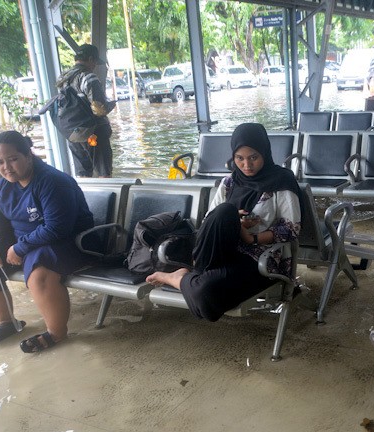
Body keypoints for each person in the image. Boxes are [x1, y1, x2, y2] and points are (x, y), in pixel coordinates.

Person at [146, 123, 301, 322]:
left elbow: (291, 229)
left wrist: (250, 237)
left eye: (253, 157)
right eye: (240, 158)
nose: (247, 165)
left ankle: (178, 278)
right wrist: (235, 224)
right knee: (224, 212)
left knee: (205, 296)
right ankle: (197, 272)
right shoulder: (229, 182)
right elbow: (209, 221)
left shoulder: (282, 182)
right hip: (223, 254)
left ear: (265, 153)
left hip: (259, 260)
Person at [0, 131, 95, 353]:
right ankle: (7, 323)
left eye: (13, 159)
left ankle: (56, 333)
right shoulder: (3, 186)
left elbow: (57, 228)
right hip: (26, 243)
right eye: (0, 162)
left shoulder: (53, 182)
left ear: (28, 156)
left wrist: (20, 247)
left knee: (39, 267)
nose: (6, 167)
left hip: (70, 243)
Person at [56, 44, 115, 179]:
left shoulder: (63, 79)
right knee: (104, 173)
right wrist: (111, 105)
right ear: (90, 59)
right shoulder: (88, 77)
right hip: (94, 132)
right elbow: (99, 109)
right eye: (95, 62)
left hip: (73, 134)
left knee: (83, 176)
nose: (95, 66)